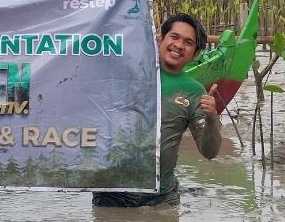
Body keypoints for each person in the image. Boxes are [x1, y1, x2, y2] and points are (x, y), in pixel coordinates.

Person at [93, 11, 222, 206]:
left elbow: (209, 152)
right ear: (160, 39)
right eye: (174, 37)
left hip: (162, 198)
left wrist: (212, 117)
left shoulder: (194, 91)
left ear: (196, 53)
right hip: (112, 194)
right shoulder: (126, 72)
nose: (179, 45)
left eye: (188, 42)